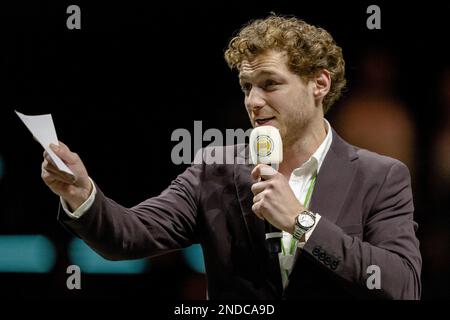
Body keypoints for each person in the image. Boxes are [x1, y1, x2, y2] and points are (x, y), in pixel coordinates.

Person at [41, 14, 421, 299]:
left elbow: (402, 284)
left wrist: (302, 223)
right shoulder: (215, 170)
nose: (253, 102)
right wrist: (80, 193)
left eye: (270, 83)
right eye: (246, 87)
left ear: (319, 84)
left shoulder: (380, 176)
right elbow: (127, 238)